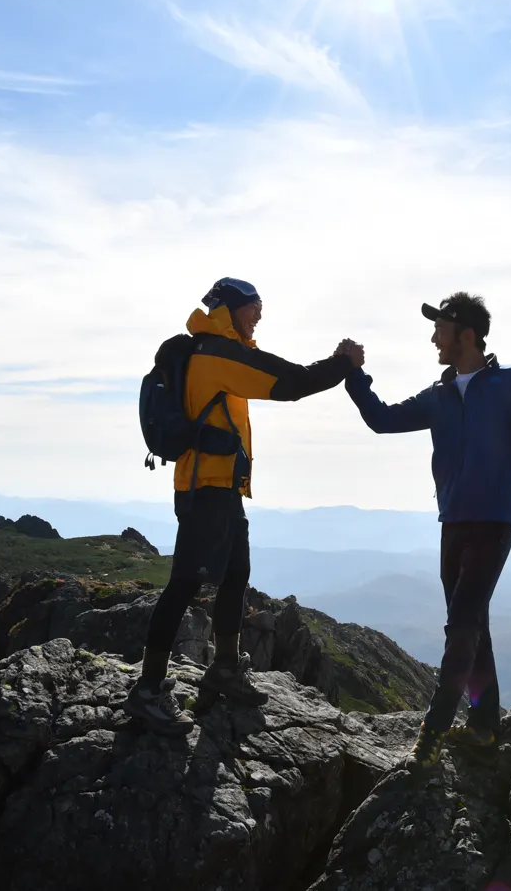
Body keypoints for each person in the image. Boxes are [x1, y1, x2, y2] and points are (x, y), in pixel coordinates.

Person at [343, 292, 511, 771]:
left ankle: (433, 734)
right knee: (473, 625)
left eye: (439, 329)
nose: (433, 338)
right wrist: (352, 375)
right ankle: (486, 725)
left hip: (494, 521)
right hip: (453, 521)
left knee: (461, 625)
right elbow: (382, 420)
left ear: (466, 334)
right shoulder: (439, 396)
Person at [125, 277, 359, 736]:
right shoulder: (216, 354)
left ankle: (225, 668)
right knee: (183, 585)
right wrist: (341, 364)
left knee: (236, 576)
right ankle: (147, 689)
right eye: (252, 308)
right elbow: (288, 381)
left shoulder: (209, 351)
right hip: (205, 489)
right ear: (228, 309)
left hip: (221, 489)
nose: (258, 317)